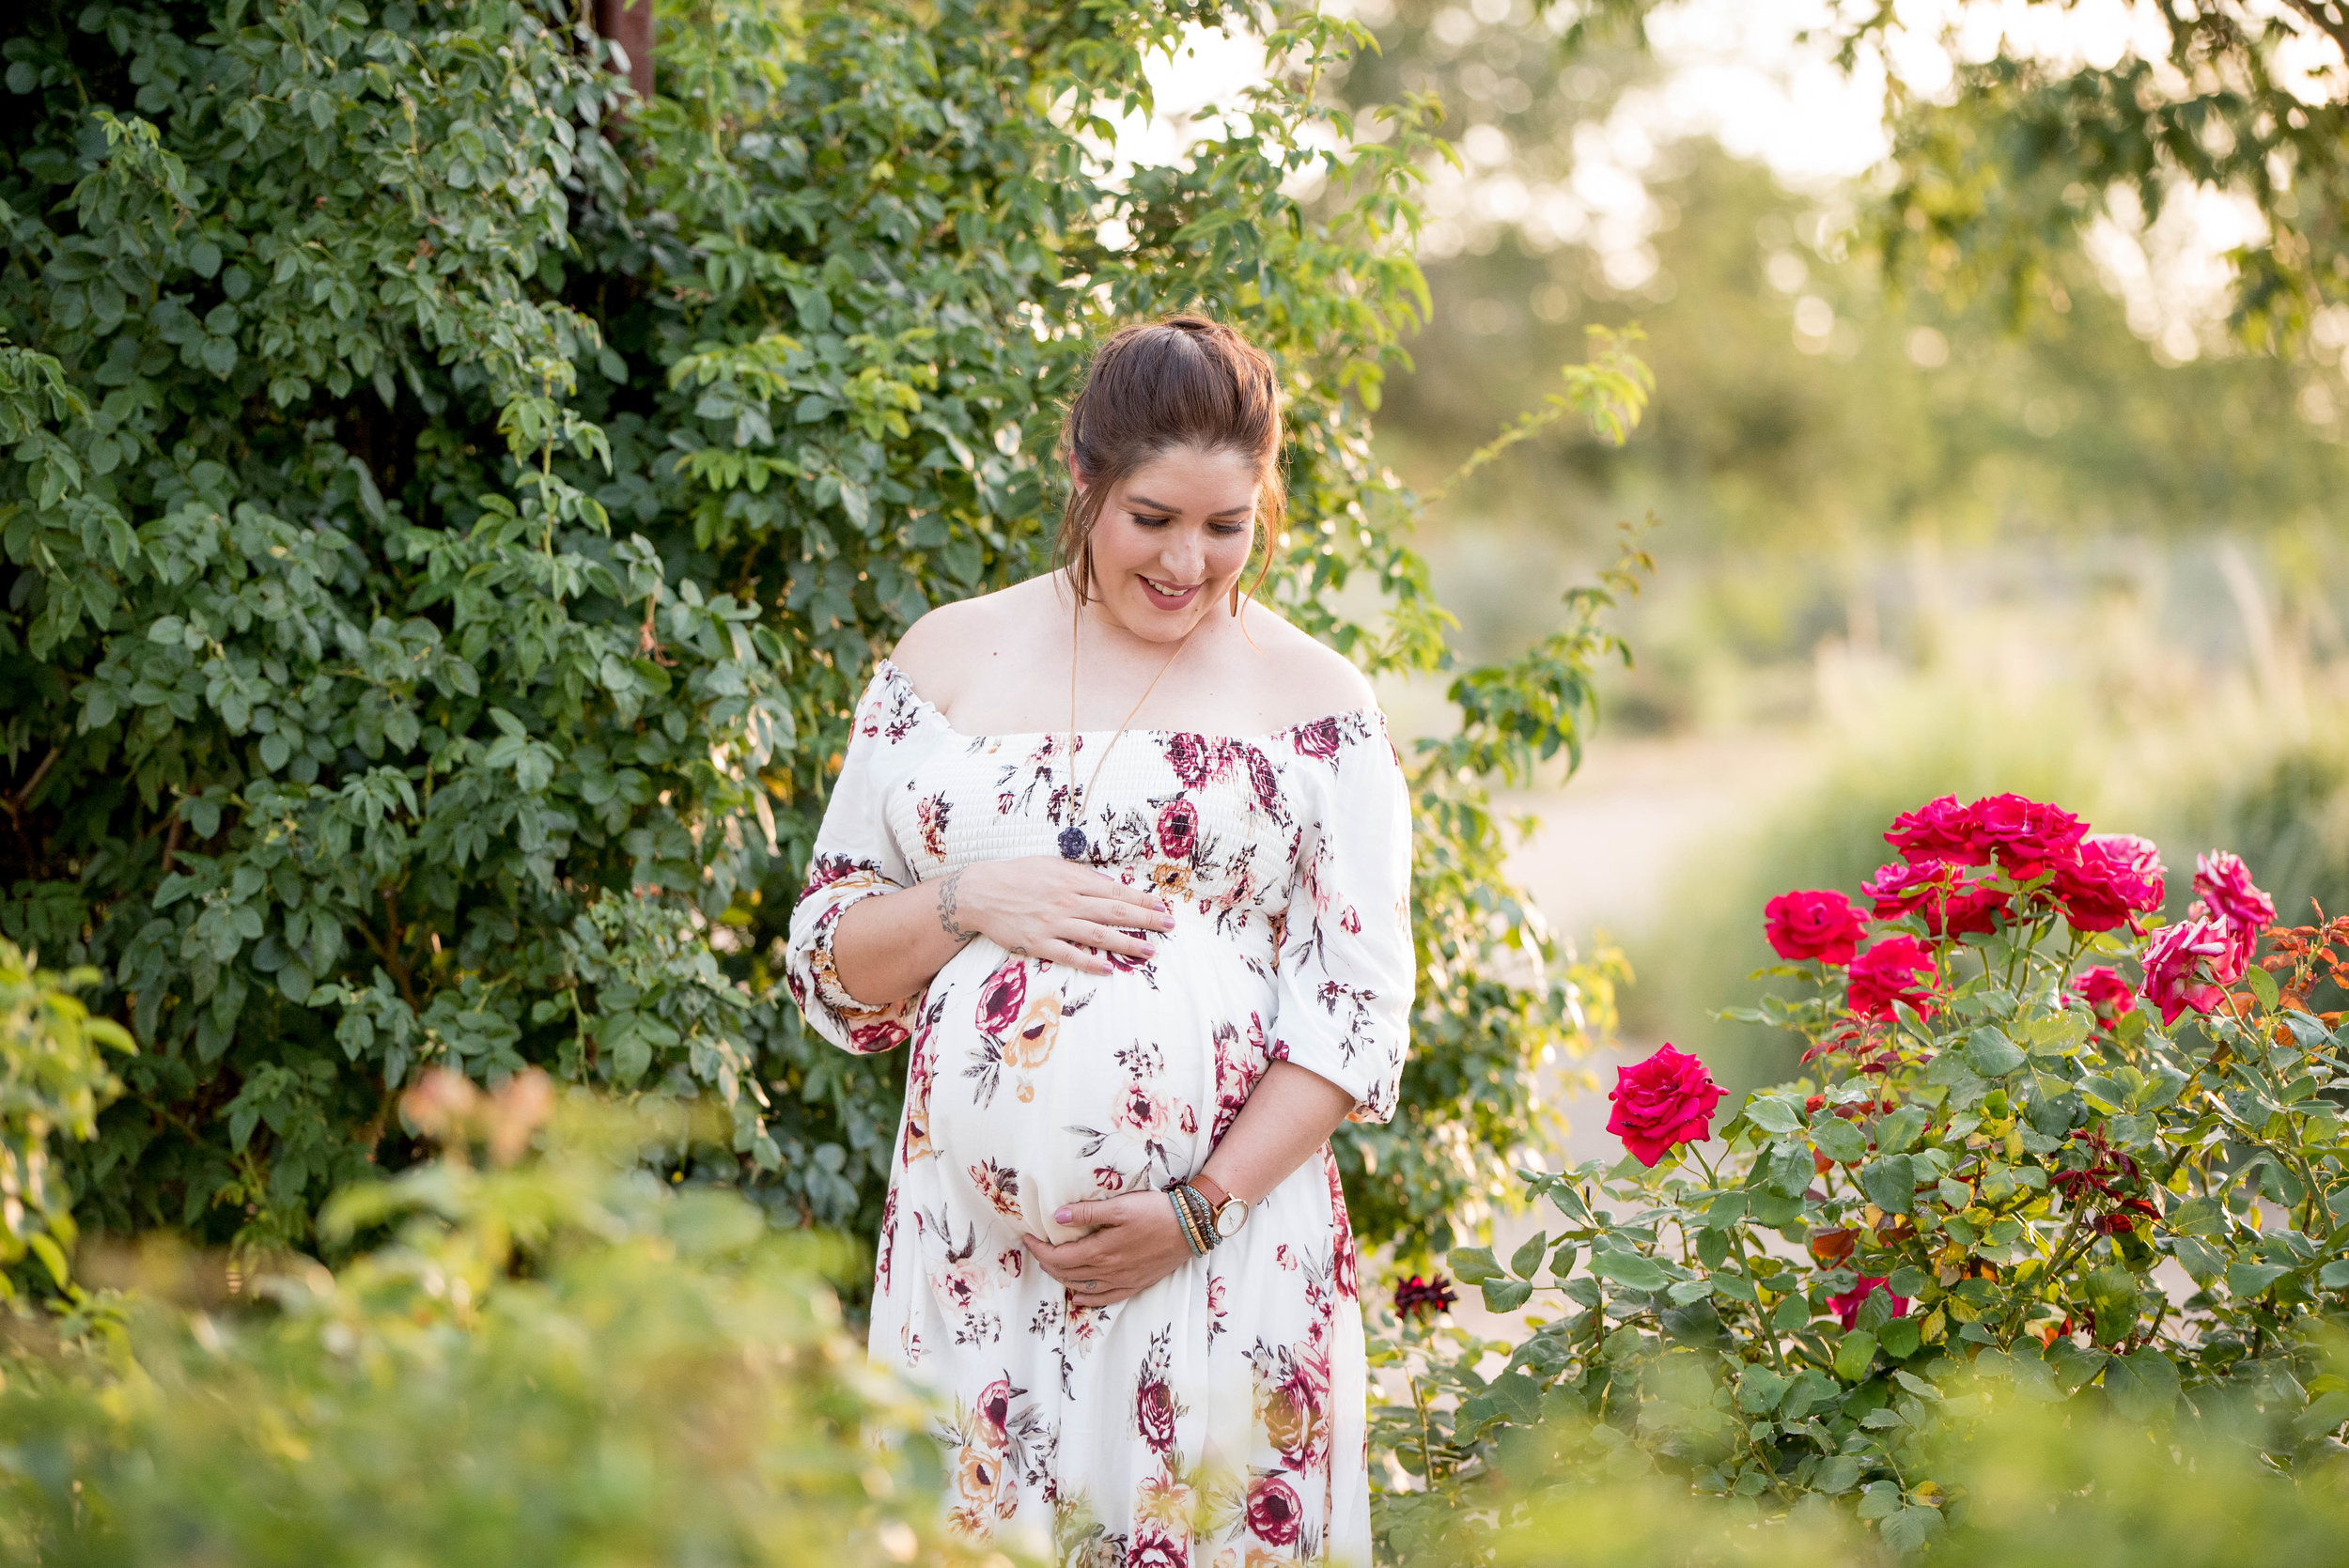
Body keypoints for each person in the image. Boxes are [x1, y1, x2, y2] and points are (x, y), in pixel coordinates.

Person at [785, 315, 1413, 1566]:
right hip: (978, 1270)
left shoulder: (1319, 704)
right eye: (1153, 519)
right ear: (1082, 479)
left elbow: (1354, 1015)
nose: (1189, 562)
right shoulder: (945, 664)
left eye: (1225, 527)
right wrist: (971, 897)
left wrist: (1196, 1209)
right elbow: (828, 959)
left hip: (1223, 1259)